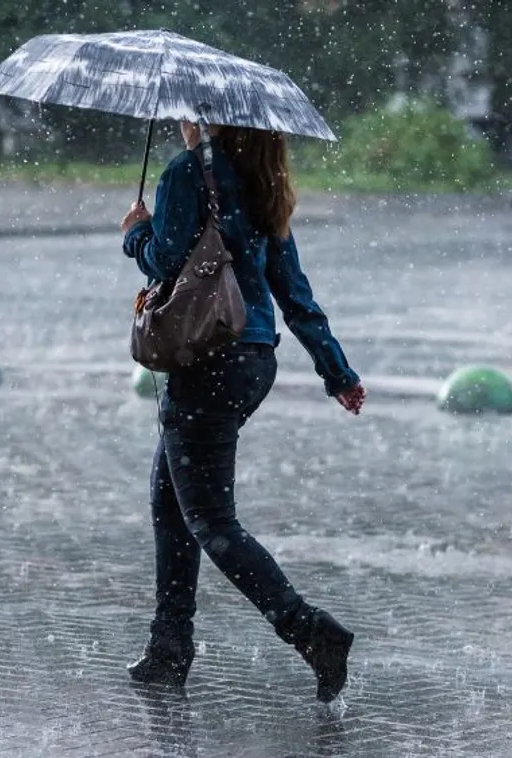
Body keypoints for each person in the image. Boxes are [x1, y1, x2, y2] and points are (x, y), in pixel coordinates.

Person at [120, 121, 367, 702]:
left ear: (210, 117)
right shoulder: (264, 181)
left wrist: (135, 232)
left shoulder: (188, 173)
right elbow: (294, 292)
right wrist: (337, 371)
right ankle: (168, 648)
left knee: (210, 520)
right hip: (254, 361)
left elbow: (164, 261)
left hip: (207, 357)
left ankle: (310, 632)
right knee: (170, 503)